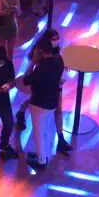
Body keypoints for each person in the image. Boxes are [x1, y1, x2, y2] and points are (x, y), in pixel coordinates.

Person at [15, 28, 73, 155]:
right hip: (41, 83)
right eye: (53, 39)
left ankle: (61, 139)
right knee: (35, 101)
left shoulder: (55, 52)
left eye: (57, 38)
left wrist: (61, 67)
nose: (56, 41)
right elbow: (33, 74)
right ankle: (21, 111)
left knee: (58, 109)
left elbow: (54, 62)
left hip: (55, 82)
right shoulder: (39, 51)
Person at [22, 39, 66, 170]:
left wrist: (33, 63)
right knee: (45, 130)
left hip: (39, 104)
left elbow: (26, 80)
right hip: (53, 101)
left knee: (39, 133)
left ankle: (41, 161)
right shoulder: (59, 59)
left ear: (40, 51)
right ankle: (43, 155)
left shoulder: (40, 70)